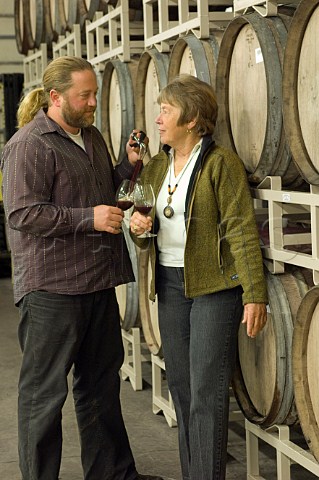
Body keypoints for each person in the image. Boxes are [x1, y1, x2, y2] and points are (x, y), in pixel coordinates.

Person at [0, 55, 163, 480]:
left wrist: (127, 166)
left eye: (94, 94)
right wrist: (86, 218)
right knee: (44, 396)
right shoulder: (29, 144)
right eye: (84, 95)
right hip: (52, 290)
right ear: (55, 98)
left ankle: (113, 474)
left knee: (100, 388)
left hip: (96, 281)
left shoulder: (91, 137)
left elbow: (101, 189)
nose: (93, 103)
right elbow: (22, 213)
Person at [129, 74, 268, 480]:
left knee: (206, 394)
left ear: (191, 120)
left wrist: (254, 293)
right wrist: (139, 231)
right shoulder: (155, 167)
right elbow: (143, 224)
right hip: (170, 286)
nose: (158, 118)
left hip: (213, 288)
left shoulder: (220, 163)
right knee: (183, 391)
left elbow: (241, 227)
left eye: (166, 110)